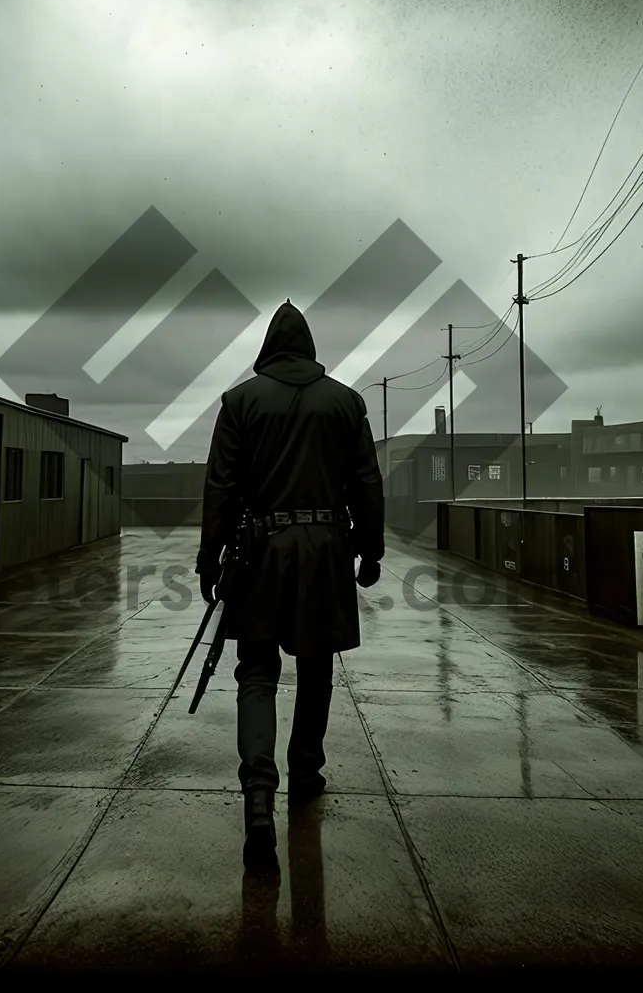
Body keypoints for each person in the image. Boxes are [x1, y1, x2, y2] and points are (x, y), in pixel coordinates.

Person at [195, 300, 384, 870]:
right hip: (326, 553)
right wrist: (369, 552)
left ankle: (258, 801)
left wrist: (210, 559)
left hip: (258, 553)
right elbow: (367, 486)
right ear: (309, 349)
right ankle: (305, 771)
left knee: (255, 671)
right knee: (317, 666)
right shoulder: (347, 403)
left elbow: (220, 488)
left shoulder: (239, 402)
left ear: (268, 349)